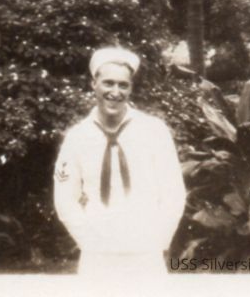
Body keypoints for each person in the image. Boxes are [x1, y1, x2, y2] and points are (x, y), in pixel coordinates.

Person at [53, 47, 187, 276]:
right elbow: (65, 199)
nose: (115, 92)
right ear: (94, 84)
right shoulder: (77, 137)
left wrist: (158, 240)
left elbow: (173, 192)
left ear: (130, 88)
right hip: (97, 257)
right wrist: (89, 241)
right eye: (108, 83)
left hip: (146, 254)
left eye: (123, 85)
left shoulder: (154, 130)